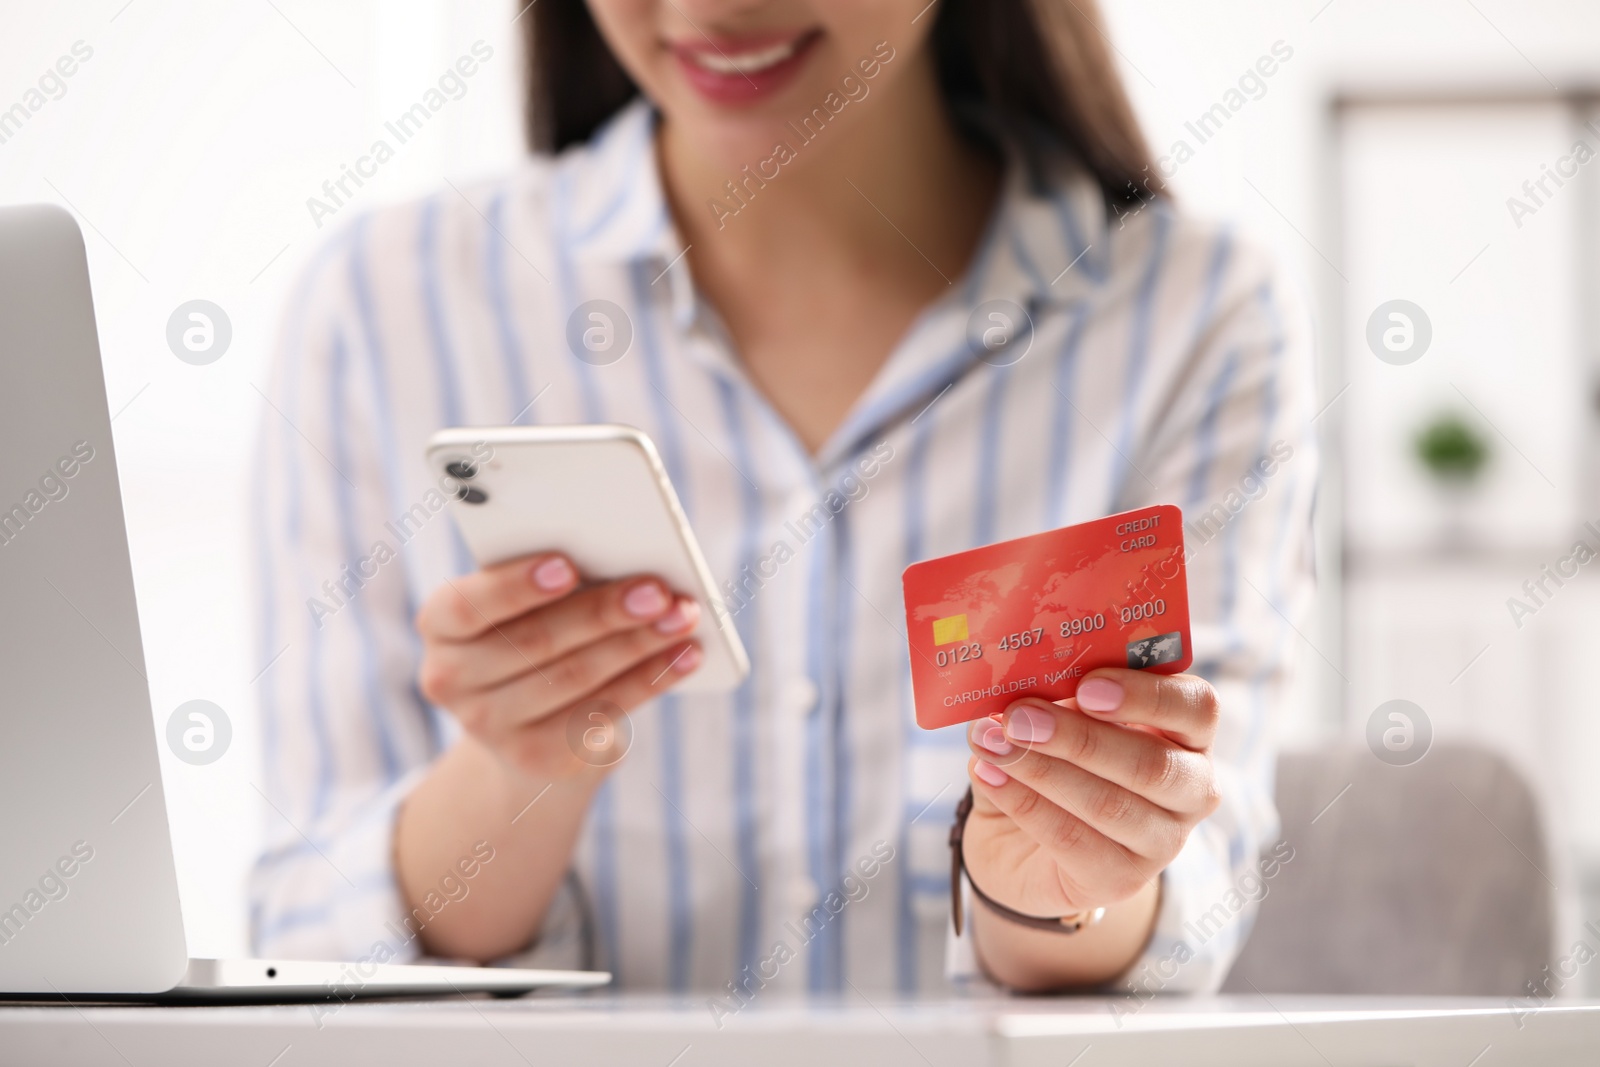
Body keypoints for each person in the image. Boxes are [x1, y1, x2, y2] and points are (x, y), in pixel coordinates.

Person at [250, 0, 1316, 996]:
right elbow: (309, 932)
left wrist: (1053, 883)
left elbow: (1195, 878)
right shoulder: (386, 303)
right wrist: (514, 777)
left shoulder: (1195, 317)